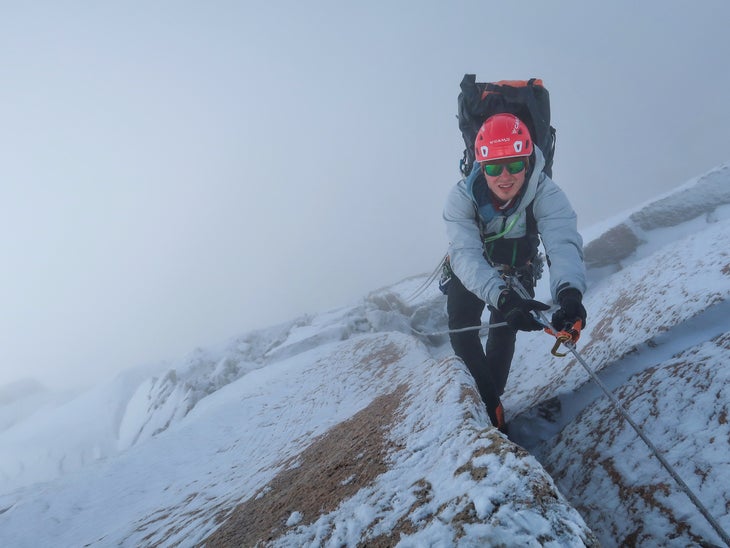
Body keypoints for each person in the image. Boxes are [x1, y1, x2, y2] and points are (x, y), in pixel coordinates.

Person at [443, 113, 587, 433]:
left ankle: (491, 401)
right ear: (481, 165)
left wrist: (569, 294)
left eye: (514, 164)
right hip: (474, 269)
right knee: (461, 330)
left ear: (527, 160)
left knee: (504, 332)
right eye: (494, 167)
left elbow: (562, 243)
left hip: (517, 268)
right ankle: (489, 401)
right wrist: (503, 296)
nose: (504, 176)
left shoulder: (546, 193)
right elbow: (465, 255)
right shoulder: (462, 197)